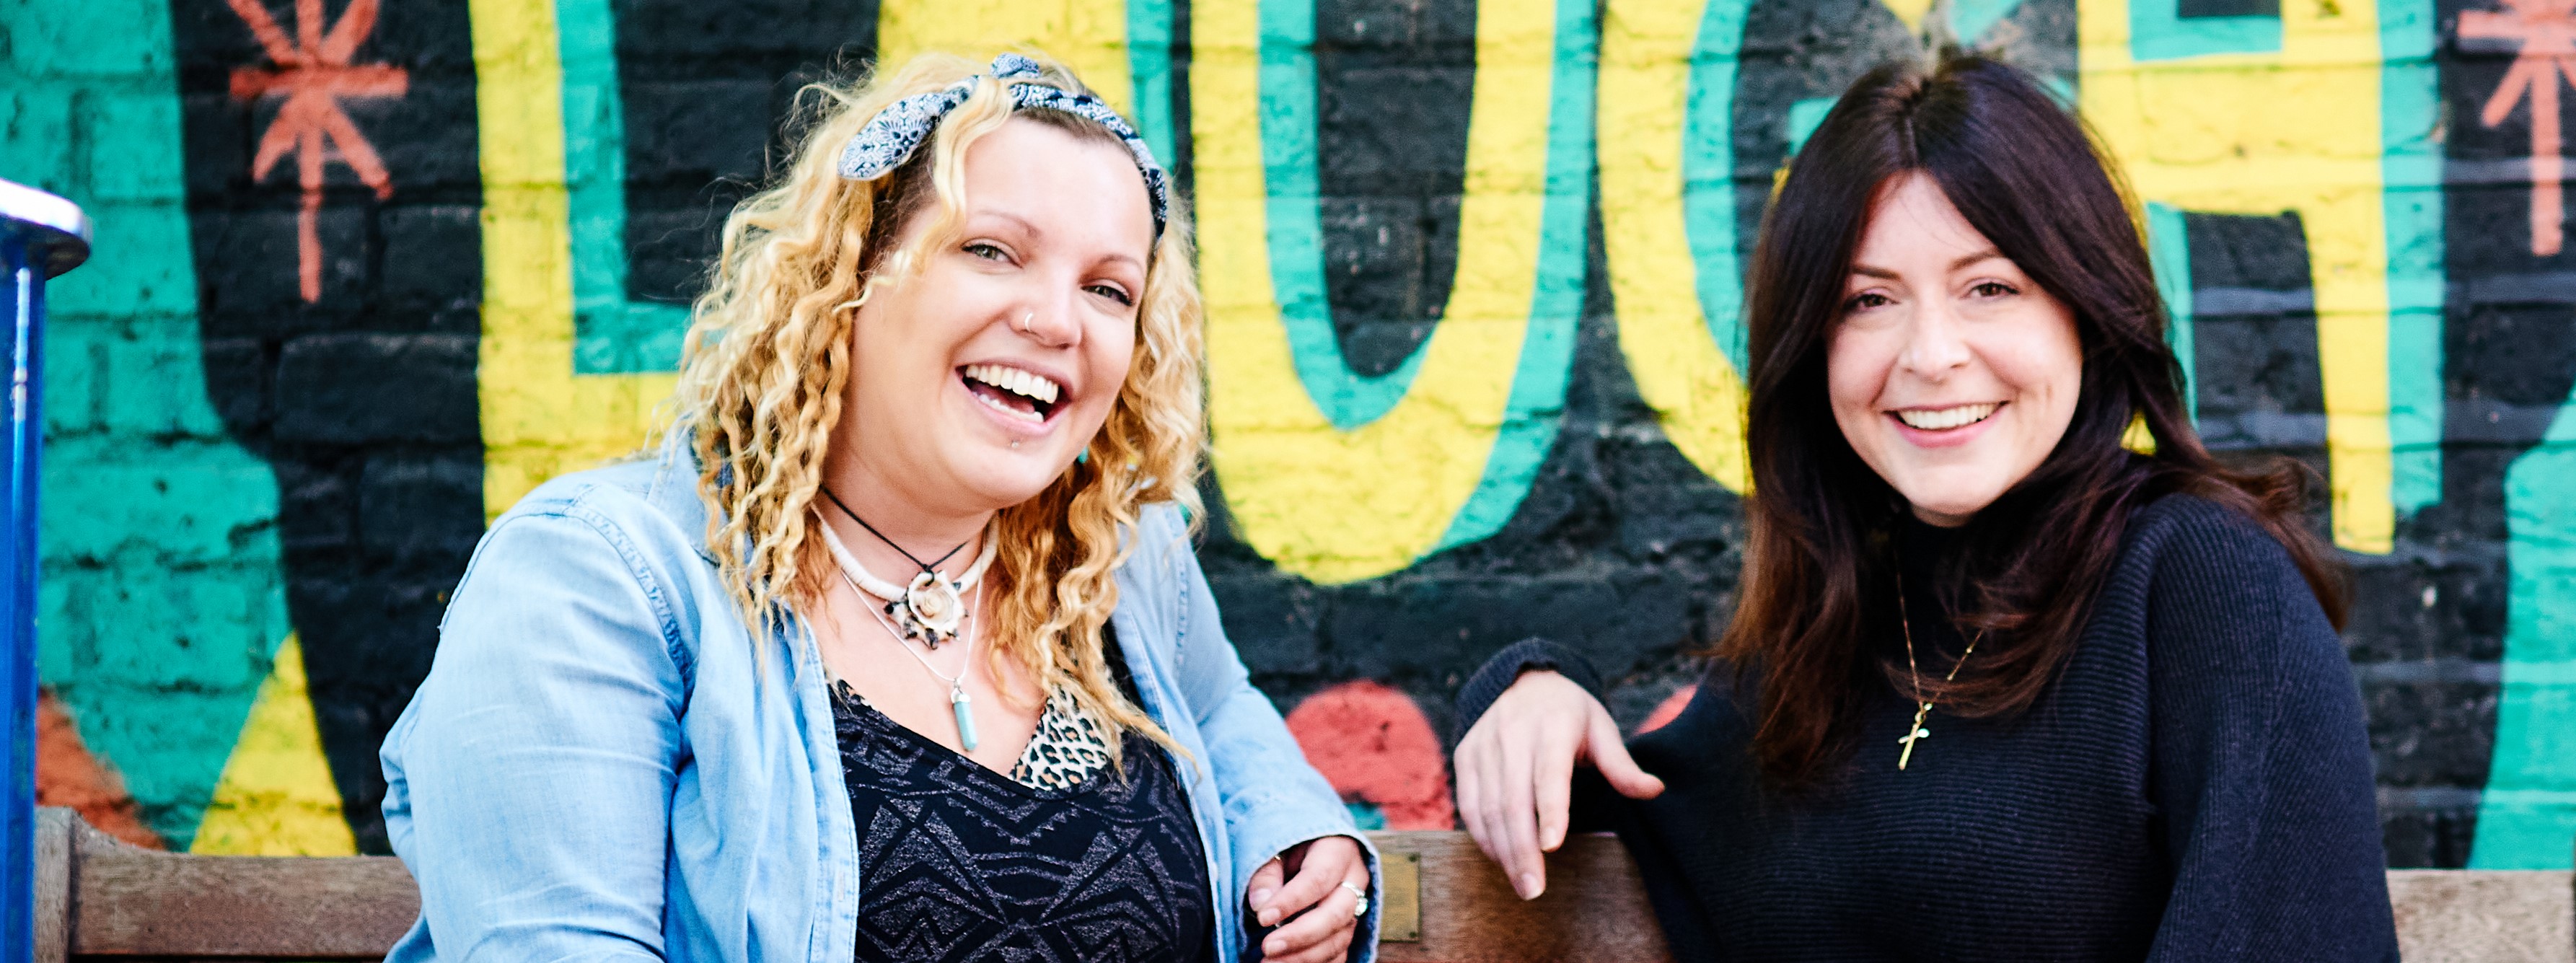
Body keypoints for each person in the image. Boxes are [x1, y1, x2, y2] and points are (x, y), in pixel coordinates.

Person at [379, 53, 1374, 963]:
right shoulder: (597, 582)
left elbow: (1220, 712)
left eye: (1109, 290)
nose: (1056, 320)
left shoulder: (1114, 560)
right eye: (990, 250)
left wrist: (1288, 825)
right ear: (852, 275)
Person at [1451, 55, 2398, 961]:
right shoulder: (1825, 632)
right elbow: (1642, 815)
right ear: (1814, 347)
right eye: (1869, 301)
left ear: (2084, 309)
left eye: (1990, 288)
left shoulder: (2200, 579)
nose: (1931, 354)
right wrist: (1531, 685)